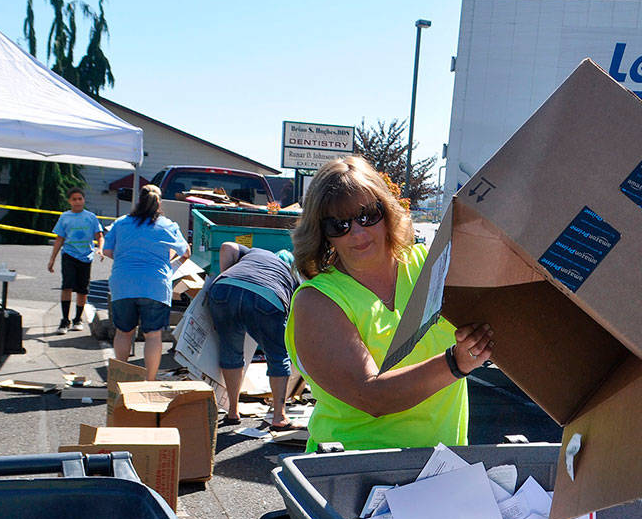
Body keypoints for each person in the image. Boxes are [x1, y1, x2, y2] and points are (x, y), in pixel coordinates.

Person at [286, 156, 492, 451]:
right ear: (322, 232)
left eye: (367, 215)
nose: (357, 232)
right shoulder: (317, 300)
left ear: (387, 211)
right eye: (339, 224)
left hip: (444, 464)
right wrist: (455, 363)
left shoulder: (430, 266)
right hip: (353, 468)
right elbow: (372, 397)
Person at [206, 242, 299, 429]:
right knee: (278, 356)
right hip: (267, 296)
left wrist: (228, 276)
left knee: (230, 352)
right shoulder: (292, 277)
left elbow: (226, 247)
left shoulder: (256, 252)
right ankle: (279, 417)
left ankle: (232, 411)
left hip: (224, 289)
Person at [102, 184, 189, 380]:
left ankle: (121, 379)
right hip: (155, 285)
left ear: (138, 200)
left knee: (124, 332)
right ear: (159, 203)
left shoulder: (121, 223)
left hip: (123, 282)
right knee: (153, 335)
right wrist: (170, 264)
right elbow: (186, 253)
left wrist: (126, 259)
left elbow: (107, 251)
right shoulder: (167, 225)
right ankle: (149, 381)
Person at [47, 187, 104, 333]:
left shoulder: (91, 217)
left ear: (83, 200)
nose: (77, 202)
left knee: (82, 290)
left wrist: (100, 248)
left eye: (80, 199)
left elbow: (99, 235)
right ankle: (64, 320)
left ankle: (77, 319)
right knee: (67, 286)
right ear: (69, 201)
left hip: (85, 257)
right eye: (74, 199)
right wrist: (52, 259)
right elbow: (60, 238)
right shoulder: (65, 217)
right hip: (69, 255)